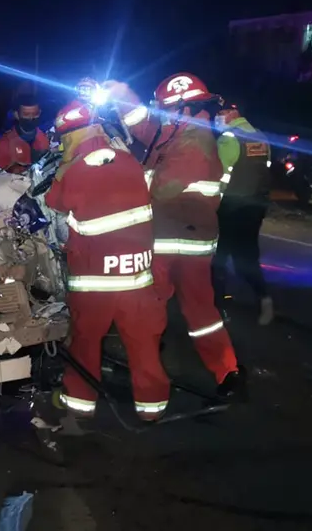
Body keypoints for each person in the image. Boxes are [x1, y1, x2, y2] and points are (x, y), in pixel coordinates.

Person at [106, 73, 246, 399]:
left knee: (156, 306)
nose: (158, 113)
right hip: (187, 238)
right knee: (198, 311)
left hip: (173, 239)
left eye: (163, 108)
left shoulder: (194, 141)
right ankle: (226, 371)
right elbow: (144, 125)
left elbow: (163, 188)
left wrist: (117, 180)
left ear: (182, 108)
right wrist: (121, 93)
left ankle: (160, 372)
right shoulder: (177, 130)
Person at [45, 100, 170, 421]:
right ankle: (151, 409)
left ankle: (80, 408)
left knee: (86, 345)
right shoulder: (130, 163)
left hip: (95, 284)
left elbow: (52, 201)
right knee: (144, 345)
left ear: (71, 135)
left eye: (64, 139)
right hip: (137, 280)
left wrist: (61, 170)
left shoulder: (74, 170)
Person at [212, 103, 274, 325]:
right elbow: (264, 171)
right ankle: (264, 299)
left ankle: (217, 310)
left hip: (229, 207)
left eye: (220, 114)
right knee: (246, 257)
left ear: (232, 115)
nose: (217, 119)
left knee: (218, 258)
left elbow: (218, 176)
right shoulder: (261, 137)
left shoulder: (229, 138)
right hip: (255, 207)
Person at [0, 95, 49, 173]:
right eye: (26, 114)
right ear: (16, 115)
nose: (31, 118)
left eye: (35, 114)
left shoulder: (48, 138)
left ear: (40, 113)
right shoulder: (4, 144)